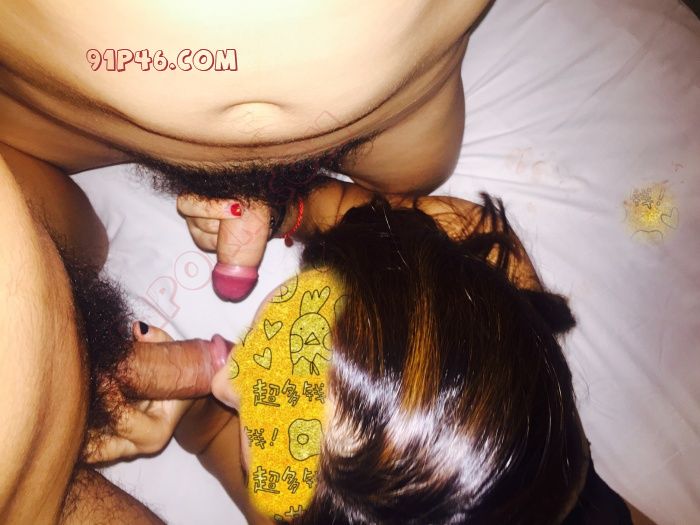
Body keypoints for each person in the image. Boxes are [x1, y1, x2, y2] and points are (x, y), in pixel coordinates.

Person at [208, 190, 636, 524]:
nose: (222, 384)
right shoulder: (476, 253)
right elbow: (341, 208)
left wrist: (193, 400)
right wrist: (278, 209)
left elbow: (208, 432)